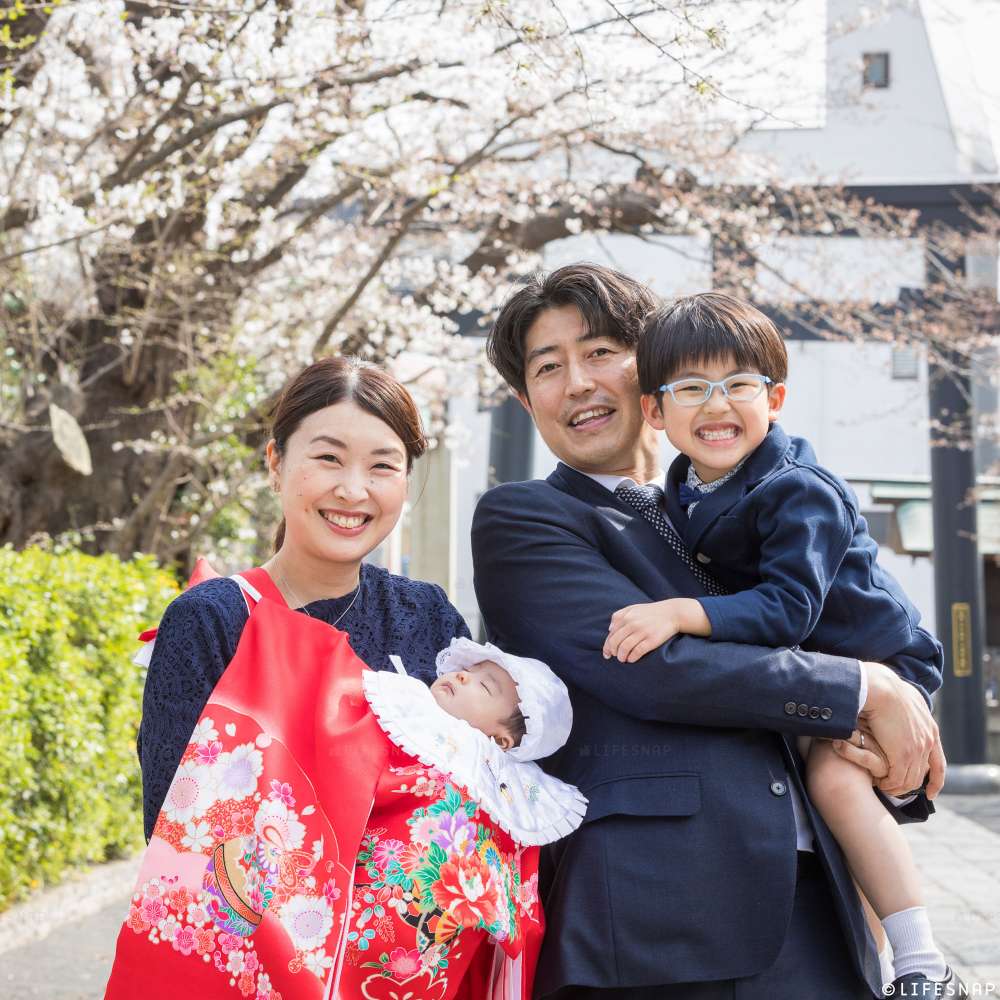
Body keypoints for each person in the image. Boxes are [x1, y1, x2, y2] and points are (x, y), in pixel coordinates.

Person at [472, 263, 947, 999]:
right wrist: (860, 687)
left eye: (601, 353)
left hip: (814, 901)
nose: (578, 383)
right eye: (548, 367)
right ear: (525, 397)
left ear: (652, 373)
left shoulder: (738, 502)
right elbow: (656, 666)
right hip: (656, 917)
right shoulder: (525, 519)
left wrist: (885, 705)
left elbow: (835, 611)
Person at [601, 291, 954, 993]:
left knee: (834, 780)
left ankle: (923, 964)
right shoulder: (682, 487)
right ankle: (872, 966)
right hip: (812, 670)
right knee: (818, 807)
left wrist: (682, 615)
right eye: (692, 389)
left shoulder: (800, 490)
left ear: (776, 397)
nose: (717, 406)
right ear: (654, 410)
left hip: (876, 659)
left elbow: (790, 608)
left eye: (739, 385)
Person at [108, 618, 586, 998]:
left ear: (504, 739)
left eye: (485, 687)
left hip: (430, 938)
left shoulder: (514, 797)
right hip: (348, 890)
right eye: (471, 669)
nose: (463, 676)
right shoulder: (407, 711)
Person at [136, 356, 468, 841]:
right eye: (329, 458)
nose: (353, 490)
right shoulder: (211, 621)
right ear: (275, 463)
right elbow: (174, 825)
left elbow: (477, 786)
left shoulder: (427, 616)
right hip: (255, 914)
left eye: (382, 466)